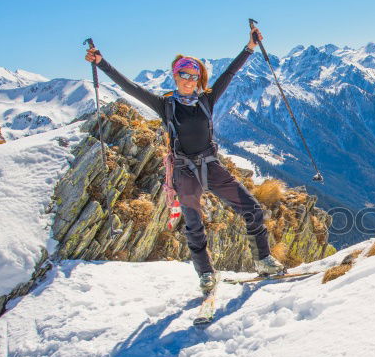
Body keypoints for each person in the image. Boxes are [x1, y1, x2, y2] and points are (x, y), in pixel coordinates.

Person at [85, 28, 284, 292]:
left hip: (211, 166)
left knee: (252, 209)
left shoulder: (206, 100)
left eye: (194, 76)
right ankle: (205, 274)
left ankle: (263, 260)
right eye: (184, 75)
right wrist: (102, 63)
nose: (190, 80)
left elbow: (229, 74)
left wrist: (249, 47)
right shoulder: (165, 105)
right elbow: (129, 88)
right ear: (175, 75)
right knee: (194, 225)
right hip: (184, 170)